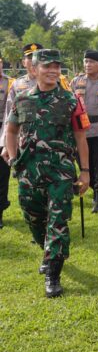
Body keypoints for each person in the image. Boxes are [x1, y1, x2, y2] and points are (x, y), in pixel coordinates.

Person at [4, 49, 91, 298]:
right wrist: (12, 159)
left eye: (56, 66)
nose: (53, 71)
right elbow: (11, 131)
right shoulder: (21, 99)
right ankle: (46, 249)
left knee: (58, 220)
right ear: (33, 69)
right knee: (33, 216)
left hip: (61, 172)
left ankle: (53, 272)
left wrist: (84, 171)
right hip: (29, 171)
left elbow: (80, 137)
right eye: (46, 66)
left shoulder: (71, 100)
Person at [70, 50, 98, 213]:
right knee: (84, 165)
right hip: (82, 131)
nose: (87, 65)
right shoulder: (76, 81)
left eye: (91, 62)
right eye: (86, 61)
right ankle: (92, 188)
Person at [0, 56, 15, 228]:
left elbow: (9, 114)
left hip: (3, 129)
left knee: (2, 174)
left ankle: (0, 210)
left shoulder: (10, 83)